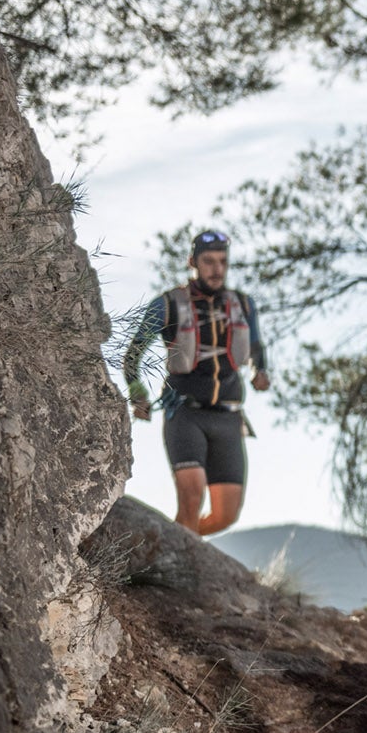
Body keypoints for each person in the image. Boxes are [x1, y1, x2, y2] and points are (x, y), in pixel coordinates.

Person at [124, 229, 271, 535]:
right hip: (185, 413)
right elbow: (133, 355)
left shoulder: (243, 304)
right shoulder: (167, 304)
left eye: (222, 261)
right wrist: (138, 394)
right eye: (209, 261)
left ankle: (172, 547)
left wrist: (260, 370)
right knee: (192, 497)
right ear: (192, 262)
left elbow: (256, 348)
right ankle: (183, 567)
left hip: (229, 416)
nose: (217, 269)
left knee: (226, 515)